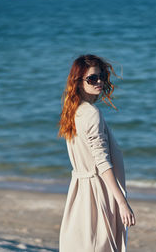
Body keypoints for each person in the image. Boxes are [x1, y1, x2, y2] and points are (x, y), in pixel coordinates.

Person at [58, 54, 136, 252]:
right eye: (92, 78)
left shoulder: (73, 110)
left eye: (101, 76)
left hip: (80, 190)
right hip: (96, 191)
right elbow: (102, 161)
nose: (99, 81)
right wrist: (122, 202)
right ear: (78, 81)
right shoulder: (92, 114)